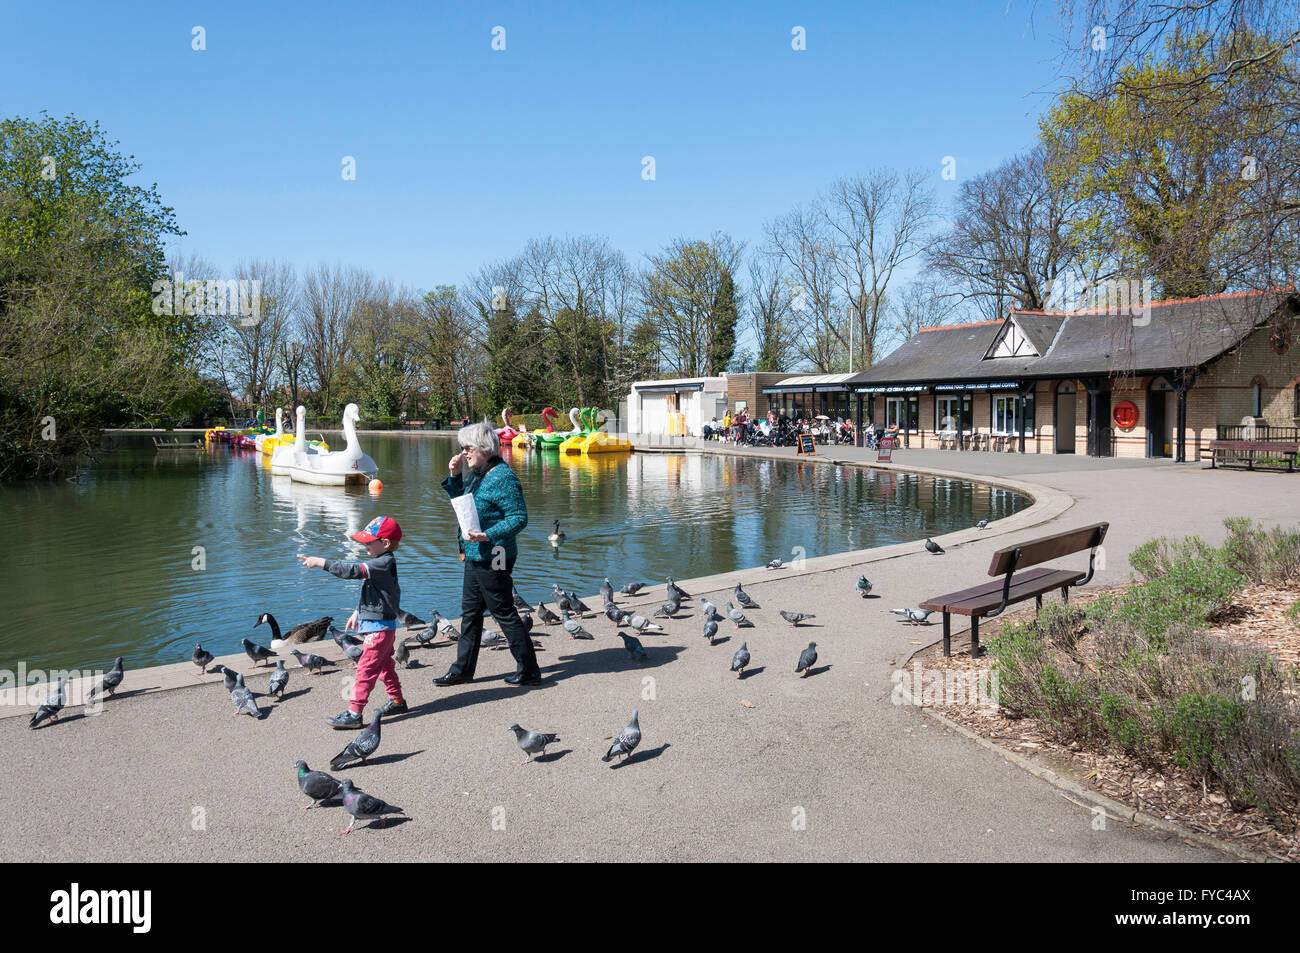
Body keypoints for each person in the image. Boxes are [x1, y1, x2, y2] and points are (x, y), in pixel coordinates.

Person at [435, 421, 541, 687]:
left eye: (467, 448)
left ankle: (529, 669)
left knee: (503, 610)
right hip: (476, 554)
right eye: (462, 448)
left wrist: (488, 535)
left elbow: (519, 518)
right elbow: (464, 506)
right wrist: (455, 476)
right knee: (470, 614)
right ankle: (463, 670)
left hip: (495, 553)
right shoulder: (479, 473)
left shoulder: (503, 477)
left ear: (483, 447)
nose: (464, 453)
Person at [297, 516, 408, 728]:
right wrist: (357, 612)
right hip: (381, 627)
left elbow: (352, 571)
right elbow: (380, 594)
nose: (364, 545)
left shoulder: (383, 563)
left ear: (385, 543)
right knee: (385, 666)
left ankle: (354, 714)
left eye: (368, 542)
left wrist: (322, 563)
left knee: (365, 671)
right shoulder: (382, 563)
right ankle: (397, 701)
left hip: (379, 630)